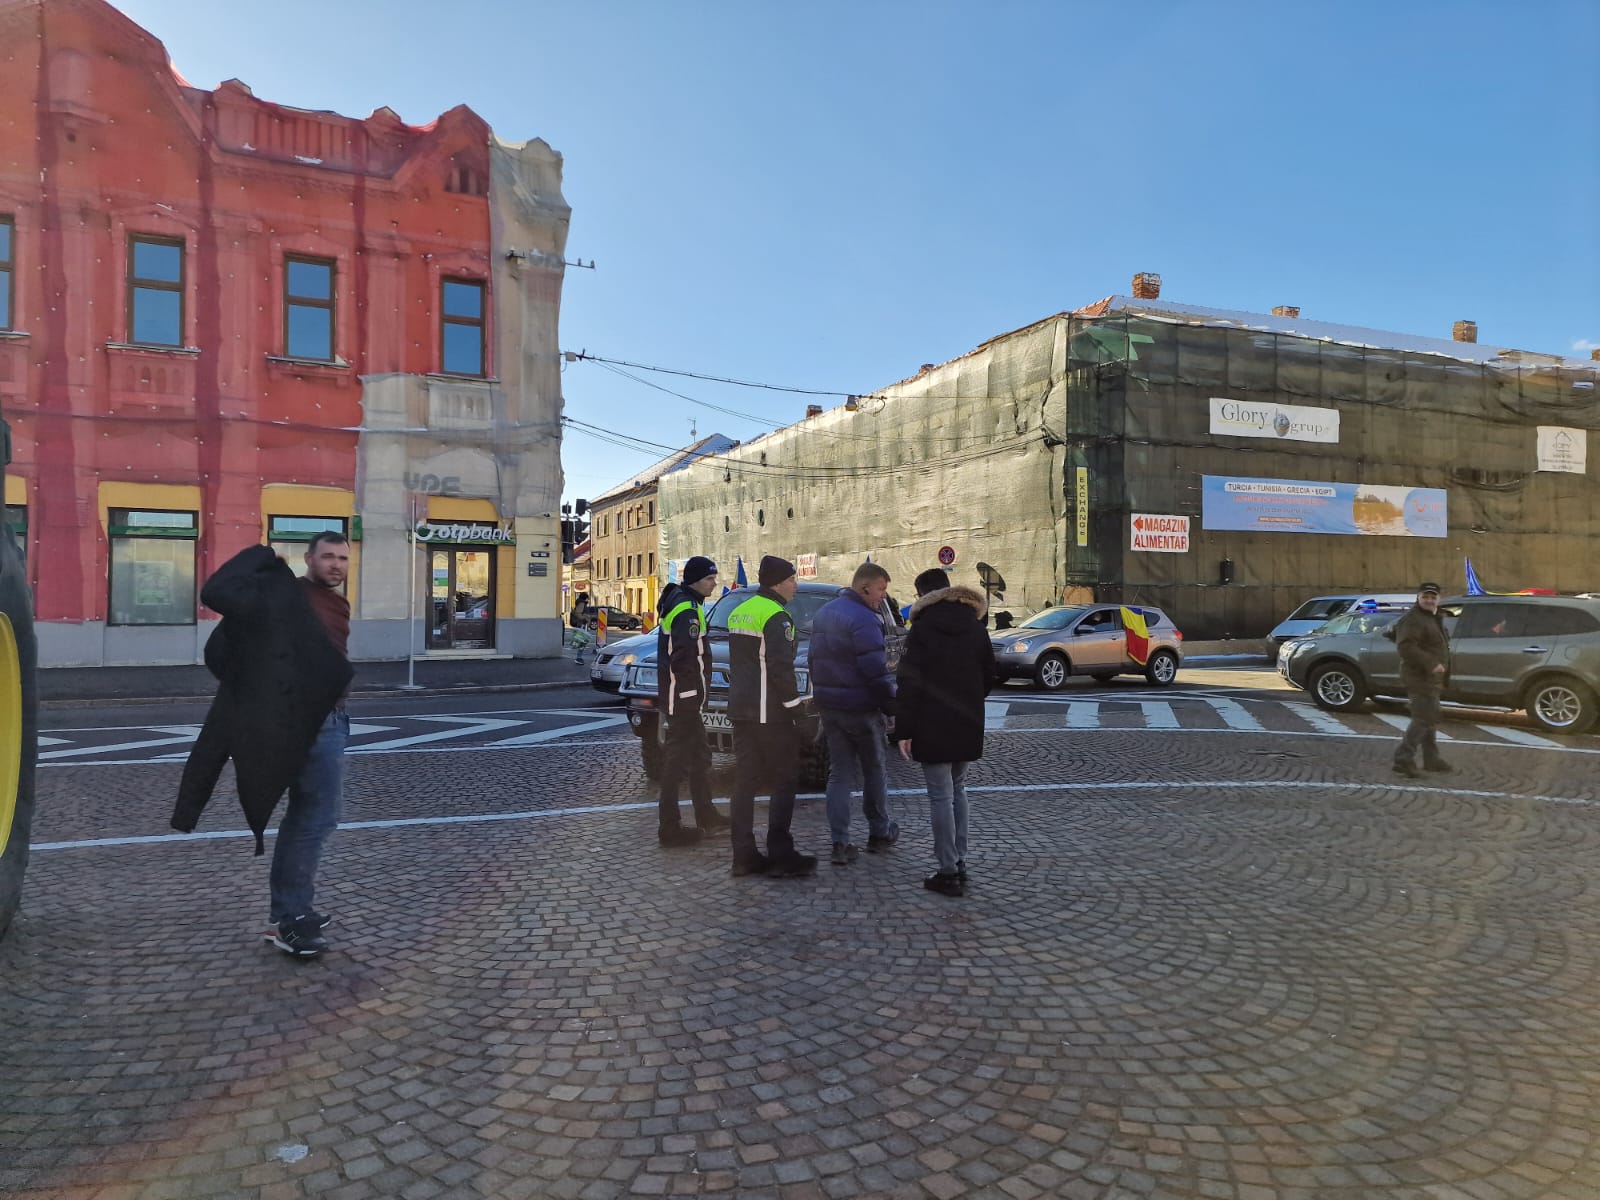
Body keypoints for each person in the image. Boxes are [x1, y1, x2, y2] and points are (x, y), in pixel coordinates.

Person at [172, 533, 354, 957]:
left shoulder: (338, 604)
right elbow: (216, 592)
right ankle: (289, 918)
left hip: (332, 721)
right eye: (327, 556)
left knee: (316, 816)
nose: (336, 565)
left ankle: (294, 908)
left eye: (343, 558)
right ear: (309, 559)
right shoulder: (282, 594)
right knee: (311, 818)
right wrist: (264, 554)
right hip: (294, 724)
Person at [895, 567, 996, 897]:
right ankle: (960, 860)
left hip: (931, 722)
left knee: (940, 795)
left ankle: (947, 870)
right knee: (958, 788)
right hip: (967, 721)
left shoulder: (922, 629)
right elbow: (989, 676)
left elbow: (908, 683)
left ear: (922, 595)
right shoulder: (976, 626)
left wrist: (903, 730)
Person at [727, 555, 817, 879]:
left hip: (741, 709)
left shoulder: (740, 611)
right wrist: (797, 712)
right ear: (778, 583)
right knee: (784, 780)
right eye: (792, 579)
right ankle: (781, 854)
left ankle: (743, 855)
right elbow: (780, 670)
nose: (796, 585)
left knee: (745, 783)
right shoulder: (778, 617)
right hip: (770, 713)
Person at [808, 561, 898, 865]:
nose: (884, 596)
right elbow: (875, 670)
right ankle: (879, 831)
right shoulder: (865, 619)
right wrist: (891, 705)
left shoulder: (824, 613)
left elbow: (812, 660)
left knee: (839, 774)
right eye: (881, 589)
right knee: (874, 769)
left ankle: (840, 842)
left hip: (830, 708)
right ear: (864, 587)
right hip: (861, 708)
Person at [654, 556, 729, 845]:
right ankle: (669, 828)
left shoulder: (687, 603)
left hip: (684, 697)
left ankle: (707, 815)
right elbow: (684, 659)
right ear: (696, 580)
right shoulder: (687, 609)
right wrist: (690, 698)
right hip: (684, 698)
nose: (714, 583)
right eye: (710, 578)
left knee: (699, 757)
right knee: (676, 762)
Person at [1392, 580, 1452, 778]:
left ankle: (1431, 759)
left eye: (1432, 597)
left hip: (1431, 677)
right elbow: (1406, 647)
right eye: (1425, 596)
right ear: (1418, 598)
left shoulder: (1434, 617)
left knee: (1430, 716)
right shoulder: (1413, 619)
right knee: (1423, 717)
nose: (1429, 600)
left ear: (1438, 599)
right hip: (1418, 676)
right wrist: (1431, 663)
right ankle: (1403, 758)